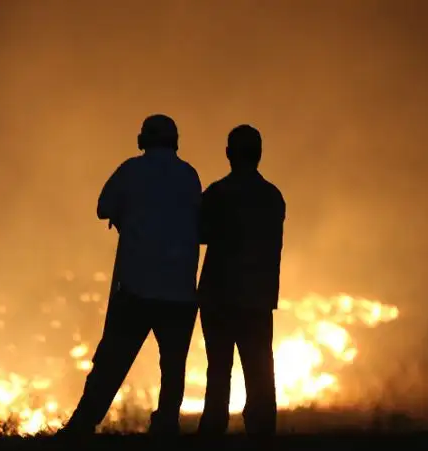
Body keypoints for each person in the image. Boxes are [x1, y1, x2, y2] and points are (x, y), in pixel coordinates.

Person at [59, 114, 202, 437]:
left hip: (136, 287)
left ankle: (81, 426)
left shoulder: (132, 170)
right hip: (180, 291)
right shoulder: (189, 175)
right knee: (173, 367)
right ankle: (166, 427)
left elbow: (103, 207)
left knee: (111, 362)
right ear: (175, 141)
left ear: (142, 140)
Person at [196, 124, 286, 438]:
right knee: (260, 374)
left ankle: (212, 434)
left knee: (218, 373)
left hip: (218, 299)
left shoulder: (217, 194)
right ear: (259, 155)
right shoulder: (273, 197)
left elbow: (199, 233)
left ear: (229, 154)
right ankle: (262, 435)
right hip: (257, 300)